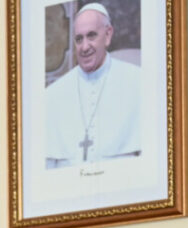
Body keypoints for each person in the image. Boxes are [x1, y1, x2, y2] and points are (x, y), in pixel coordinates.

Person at [44, 3, 142, 168]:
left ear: (108, 35)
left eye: (91, 36)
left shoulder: (138, 82)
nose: (84, 47)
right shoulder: (51, 96)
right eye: (79, 39)